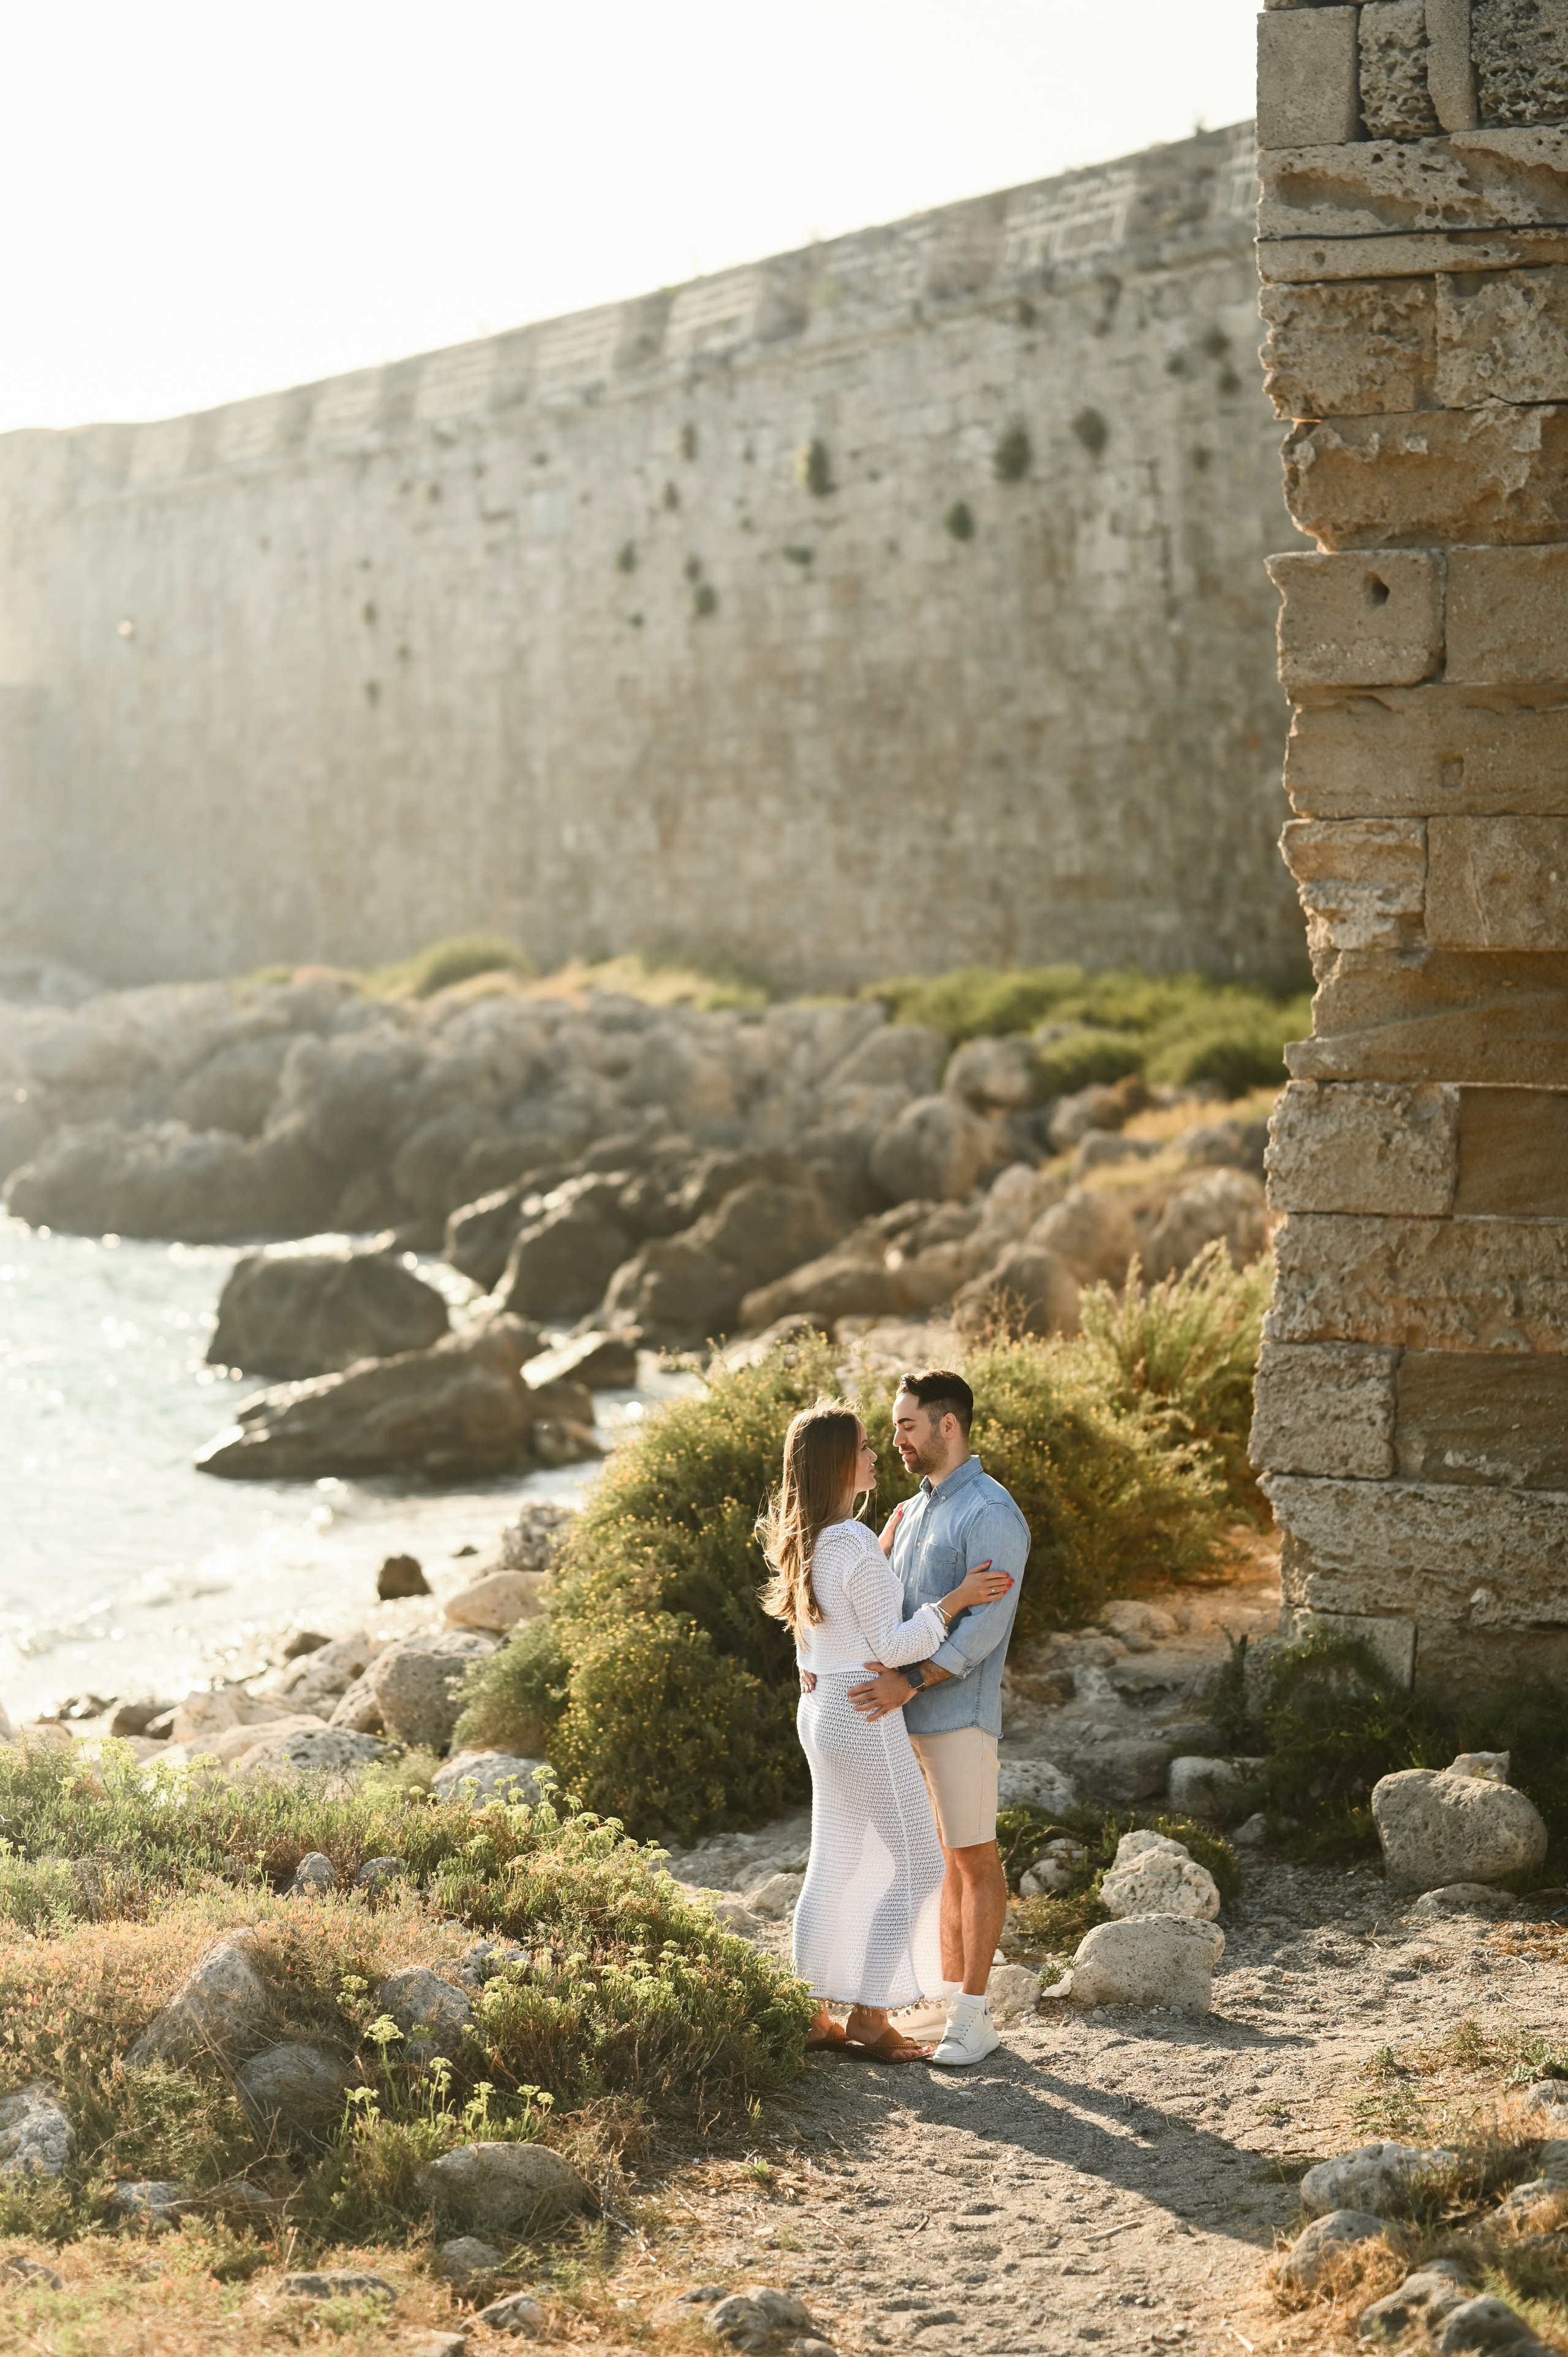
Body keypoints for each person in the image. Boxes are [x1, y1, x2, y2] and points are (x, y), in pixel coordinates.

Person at [759, 1401, 1014, 2063]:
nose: (877, 1454)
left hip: (820, 1708)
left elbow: (829, 1627)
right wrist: (956, 1599)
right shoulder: (849, 1544)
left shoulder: (808, 1537)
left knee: (834, 1860)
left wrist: (879, 1551)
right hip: (865, 1713)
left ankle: (812, 2011)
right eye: (867, 1446)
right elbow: (897, 1645)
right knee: (921, 1862)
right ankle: (871, 2016)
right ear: (841, 1461)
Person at [848, 1368, 1030, 2069]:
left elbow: (985, 1627)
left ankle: (976, 2016)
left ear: (946, 1424)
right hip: (906, 1714)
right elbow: (891, 1610)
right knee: (942, 1860)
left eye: (906, 1424)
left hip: (956, 1714)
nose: (896, 1437)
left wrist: (912, 1680)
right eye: (894, 1426)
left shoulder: (989, 1511)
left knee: (975, 1855)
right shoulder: (914, 1509)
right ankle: (948, 1996)